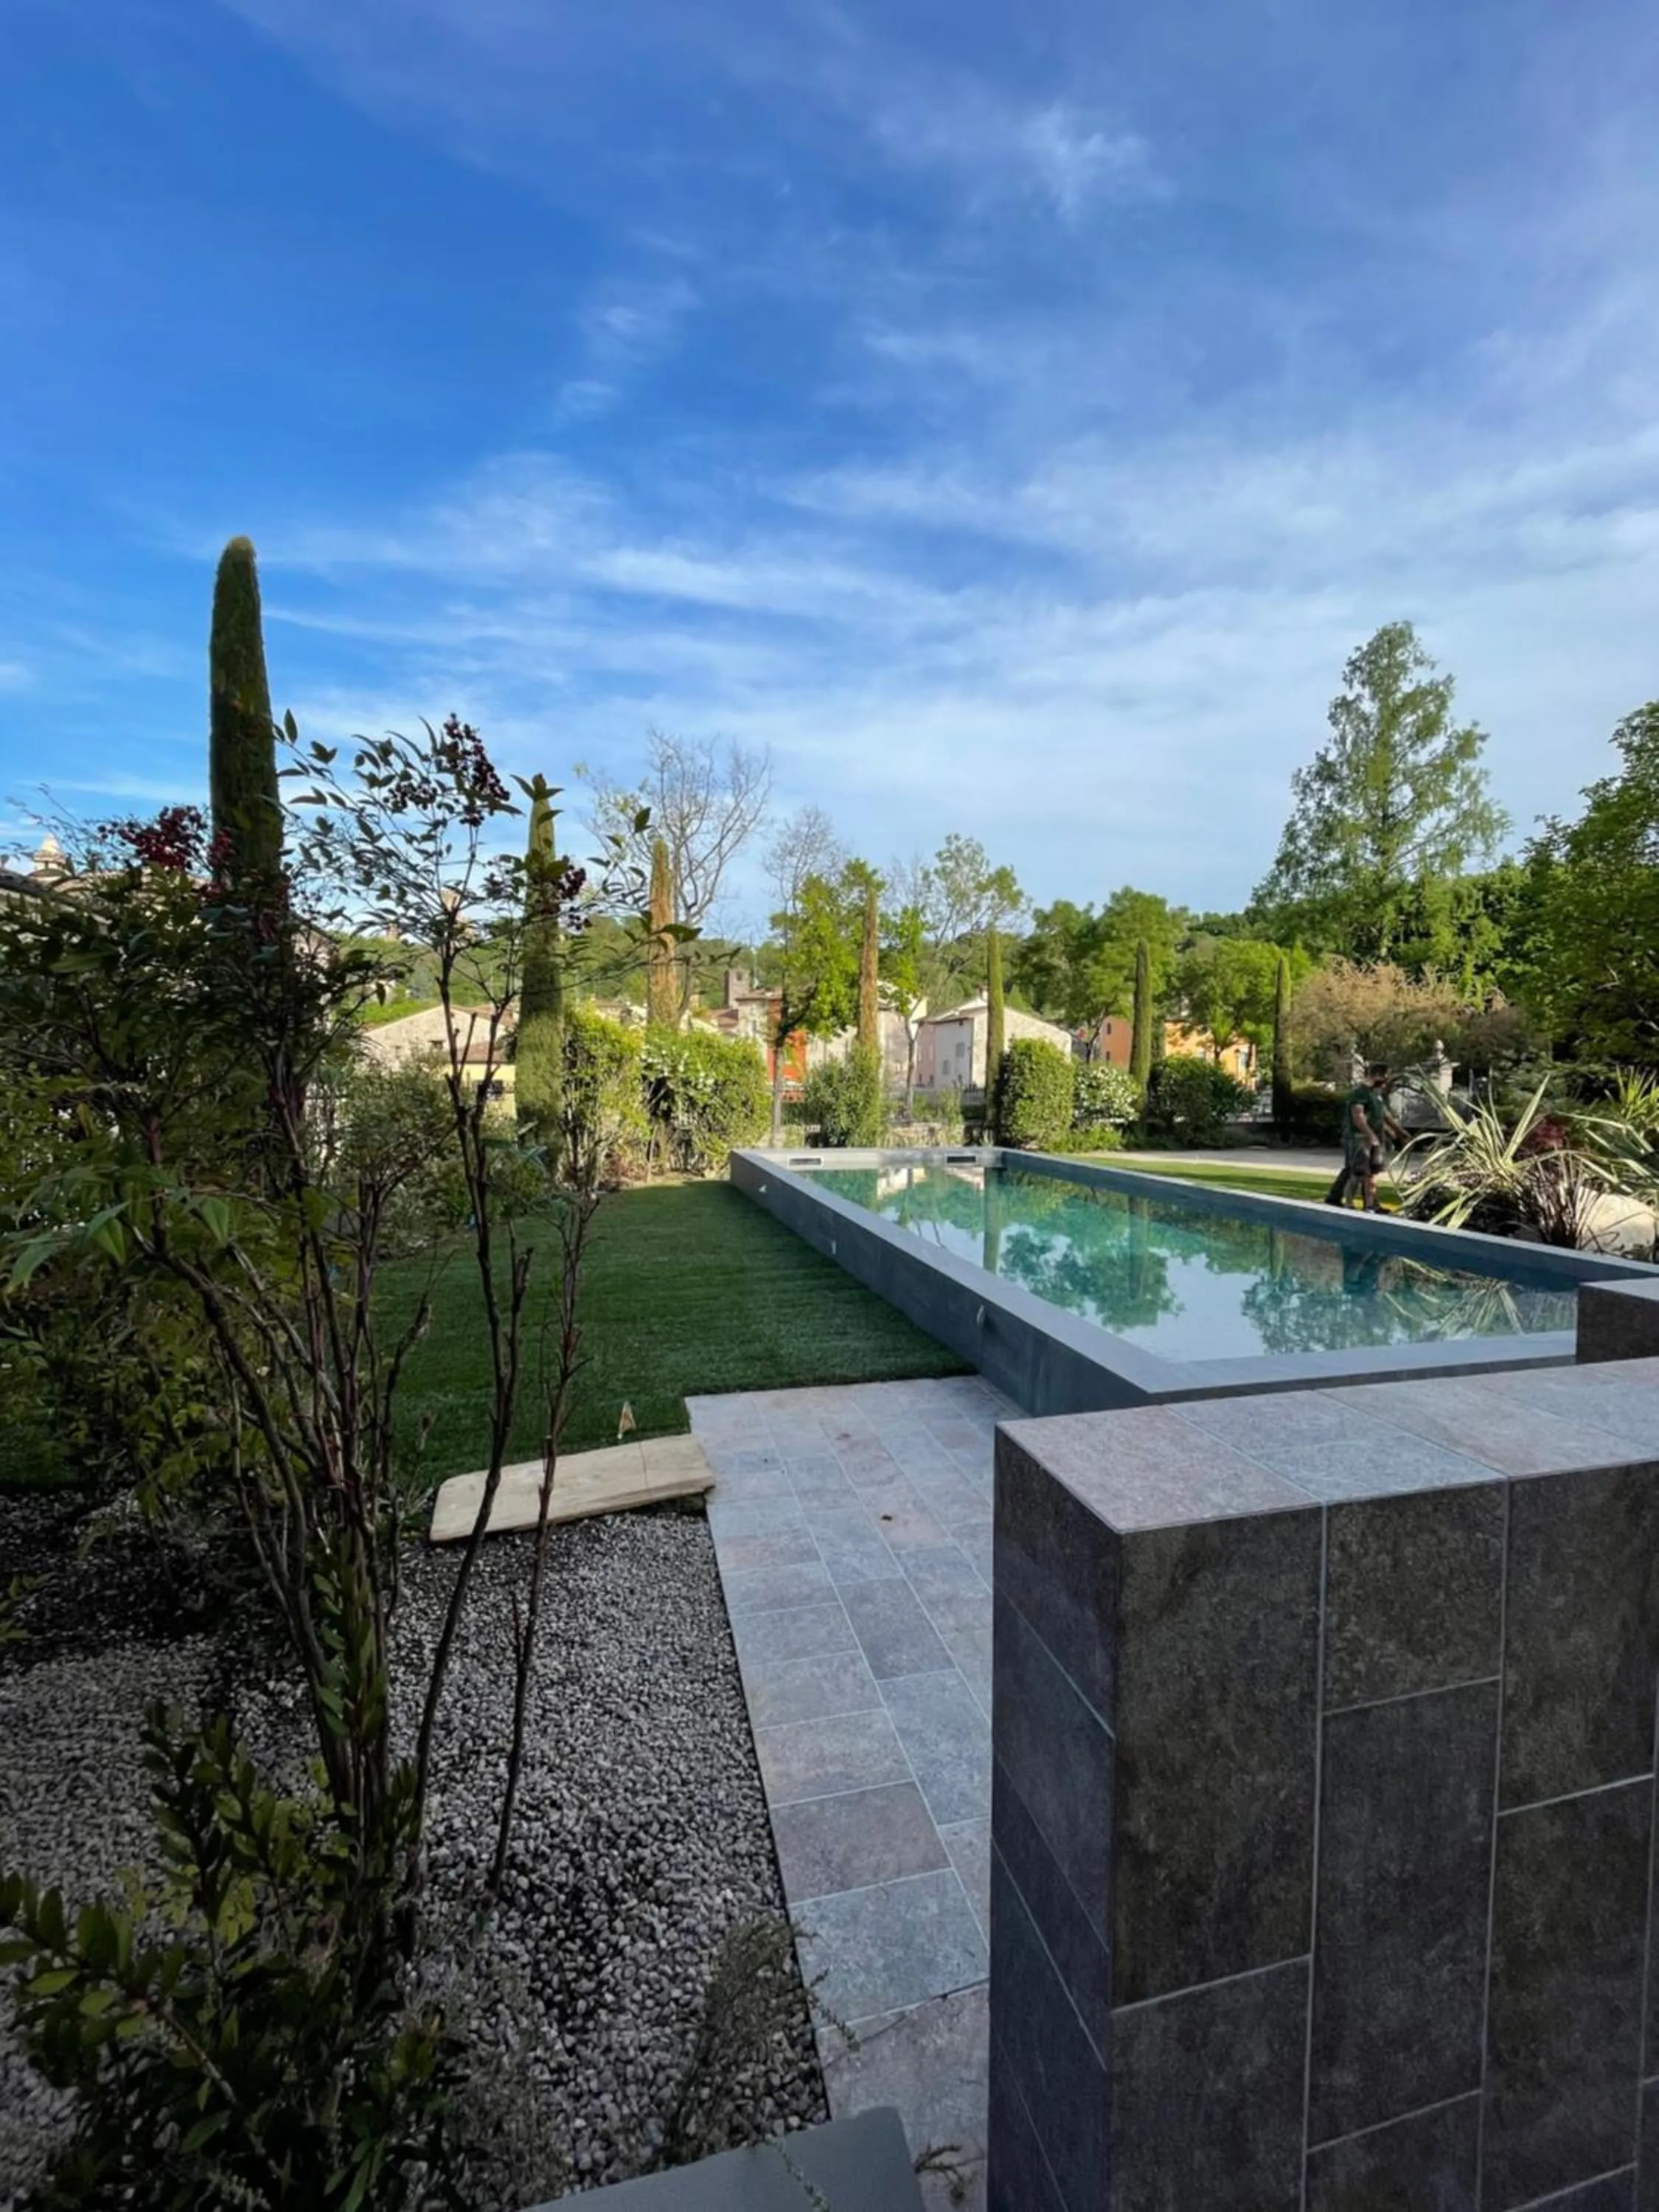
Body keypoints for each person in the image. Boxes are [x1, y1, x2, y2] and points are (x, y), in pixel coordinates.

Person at [1326, 1063, 1408, 1212]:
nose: (1387, 1080)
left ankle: (1370, 1204)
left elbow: (1383, 1115)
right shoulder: (1360, 1093)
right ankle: (1346, 1202)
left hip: (1374, 1137)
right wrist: (1371, 1136)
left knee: (1370, 1171)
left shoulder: (1375, 1094)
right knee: (1358, 1171)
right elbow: (1358, 1117)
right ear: (1377, 1075)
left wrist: (1398, 1132)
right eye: (1385, 1076)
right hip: (1359, 1138)